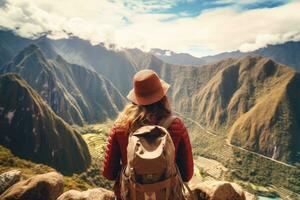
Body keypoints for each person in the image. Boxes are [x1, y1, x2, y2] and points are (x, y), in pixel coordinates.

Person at [102, 69, 194, 199]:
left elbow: (109, 173)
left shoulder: (120, 127)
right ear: (163, 97)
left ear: (135, 99)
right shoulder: (176, 126)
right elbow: (187, 174)